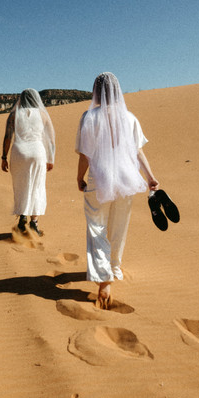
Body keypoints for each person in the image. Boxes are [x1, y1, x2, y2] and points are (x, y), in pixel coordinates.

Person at [76, 72, 159, 309]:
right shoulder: (129, 118)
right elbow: (138, 152)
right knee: (118, 227)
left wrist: (79, 177)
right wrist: (150, 177)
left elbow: (85, 154)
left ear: (96, 91)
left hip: (99, 180)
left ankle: (104, 280)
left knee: (97, 227)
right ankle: (113, 267)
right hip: (127, 180)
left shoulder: (89, 117)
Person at [1, 88, 56, 235]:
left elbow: (8, 137)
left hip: (19, 152)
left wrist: (3, 157)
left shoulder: (14, 115)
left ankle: (22, 216)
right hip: (37, 152)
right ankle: (34, 222)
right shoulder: (43, 115)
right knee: (37, 186)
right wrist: (51, 158)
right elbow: (50, 139)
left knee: (21, 185)